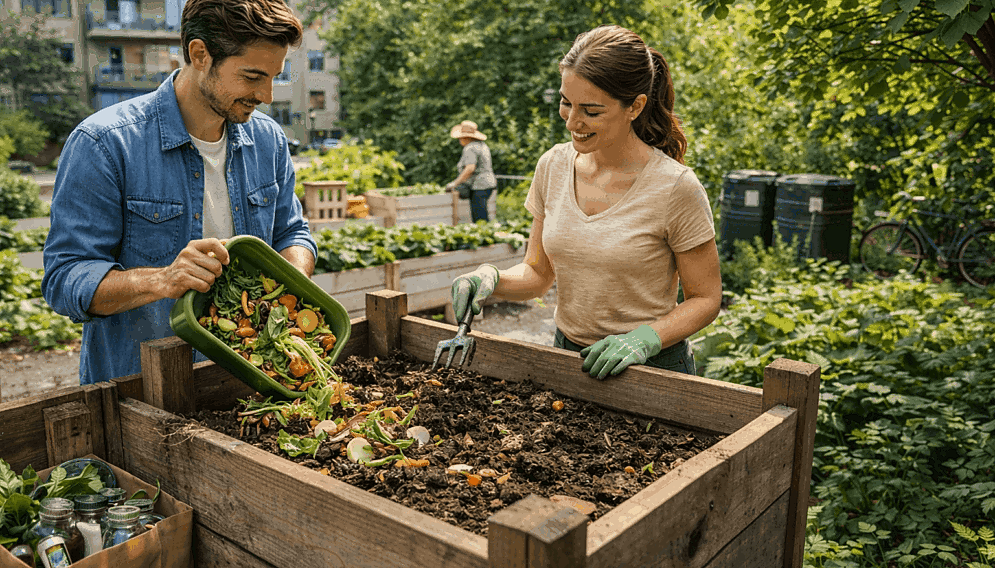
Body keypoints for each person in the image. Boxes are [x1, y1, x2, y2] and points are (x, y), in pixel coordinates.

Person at [42, 0, 316, 385]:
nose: (267, 95)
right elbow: (65, 278)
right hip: (144, 389)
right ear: (199, 54)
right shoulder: (104, 143)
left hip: (251, 382)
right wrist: (162, 280)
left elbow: (292, 233)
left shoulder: (268, 139)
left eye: (274, 76)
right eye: (253, 77)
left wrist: (287, 284)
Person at [450, 25, 722, 379]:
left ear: (635, 106)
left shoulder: (675, 187)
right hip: (568, 358)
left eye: (591, 111)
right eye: (566, 103)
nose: (572, 122)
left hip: (651, 367)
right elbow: (537, 274)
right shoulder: (553, 166)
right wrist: (489, 277)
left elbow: (705, 298)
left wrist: (644, 339)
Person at [445, 120, 498, 222]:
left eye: (460, 137)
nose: (459, 140)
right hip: (489, 184)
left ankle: (485, 236)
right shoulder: (482, 145)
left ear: (466, 137)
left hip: (480, 185)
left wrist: (454, 183)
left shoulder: (470, 148)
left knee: (479, 218)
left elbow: (470, 168)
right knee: (482, 214)